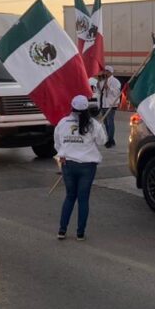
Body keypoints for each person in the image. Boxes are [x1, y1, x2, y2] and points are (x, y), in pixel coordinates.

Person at [54, 94, 108, 240]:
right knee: (83, 199)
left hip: (68, 164)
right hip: (87, 166)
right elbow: (103, 141)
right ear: (86, 108)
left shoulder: (63, 122)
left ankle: (62, 230)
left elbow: (57, 143)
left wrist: (64, 153)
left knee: (70, 197)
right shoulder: (93, 124)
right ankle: (80, 233)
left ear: (72, 107)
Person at [96, 66, 122, 148]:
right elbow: (100, 92)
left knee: (110, 123)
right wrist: (98, 85)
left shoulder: (115, 81)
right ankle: (110, 139)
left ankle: (110, 140)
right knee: (106, 123)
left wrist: (109, 88)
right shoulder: (103, 81)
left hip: (111, 104)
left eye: (106, 71)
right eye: (104, 71)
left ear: (110, 72)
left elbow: (117, 93)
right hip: (104, 104)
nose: (105, 72)